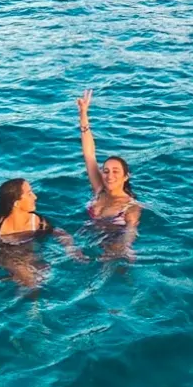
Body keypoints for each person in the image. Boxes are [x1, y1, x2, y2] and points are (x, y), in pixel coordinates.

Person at [76, 88, 141, 259]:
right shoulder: (99, 189)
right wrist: (83, 115)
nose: (109, 175)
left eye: (115, 171)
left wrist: (123, 248)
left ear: (126, 176)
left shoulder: (130, 206)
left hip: (114, 247)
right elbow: (89, 155)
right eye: (105, 171)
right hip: (90, 241)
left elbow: (130, 231)